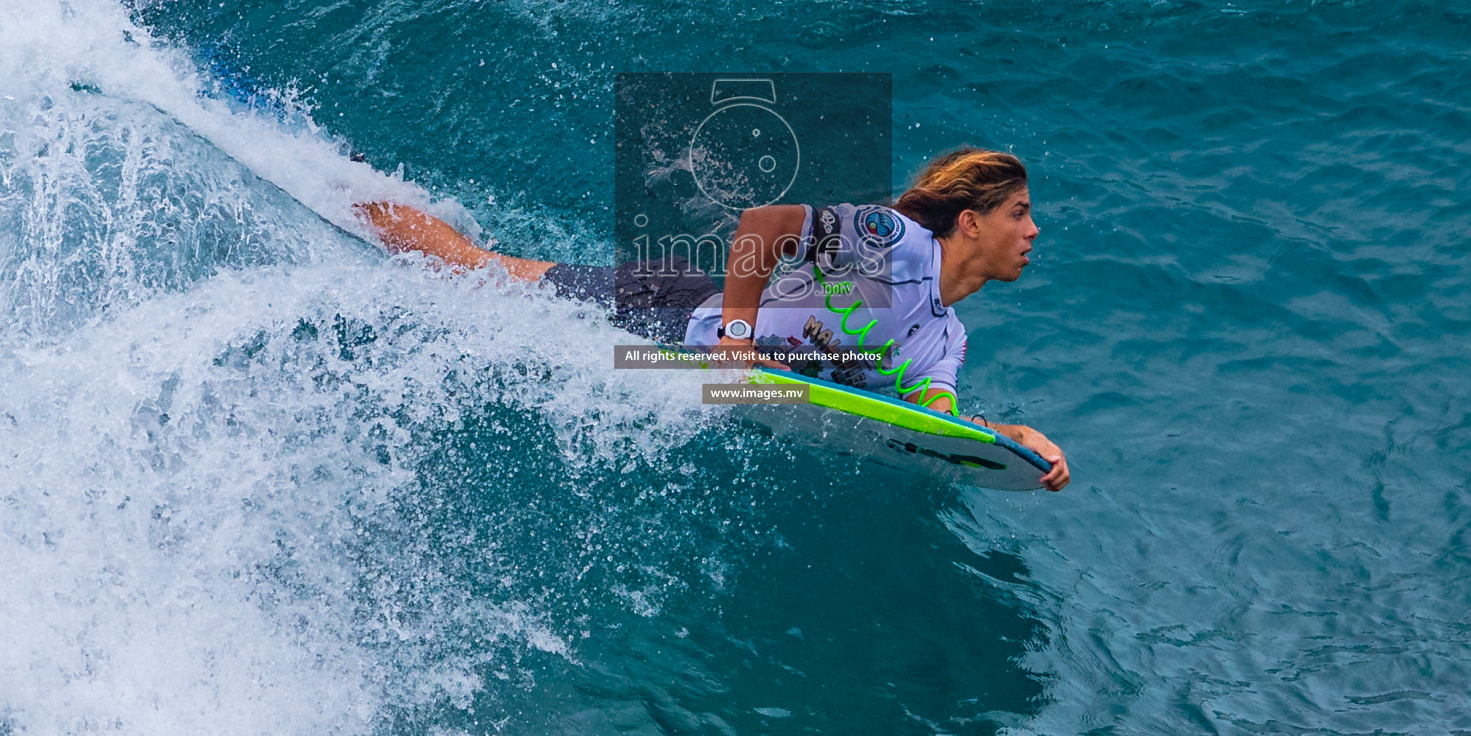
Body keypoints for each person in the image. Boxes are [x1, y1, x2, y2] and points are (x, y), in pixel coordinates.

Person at [355, 147, 1070, 491]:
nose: (1035, 230)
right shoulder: (894, 244)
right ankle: (350, 193)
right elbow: (764, 226)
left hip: (692, 327)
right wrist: (735, 339)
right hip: (673, 311)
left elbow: (930, 414)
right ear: (971, 224)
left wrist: (1007, 441)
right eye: (1020, 212)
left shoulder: (945, 335)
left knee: (492, 275)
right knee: (479, 273)